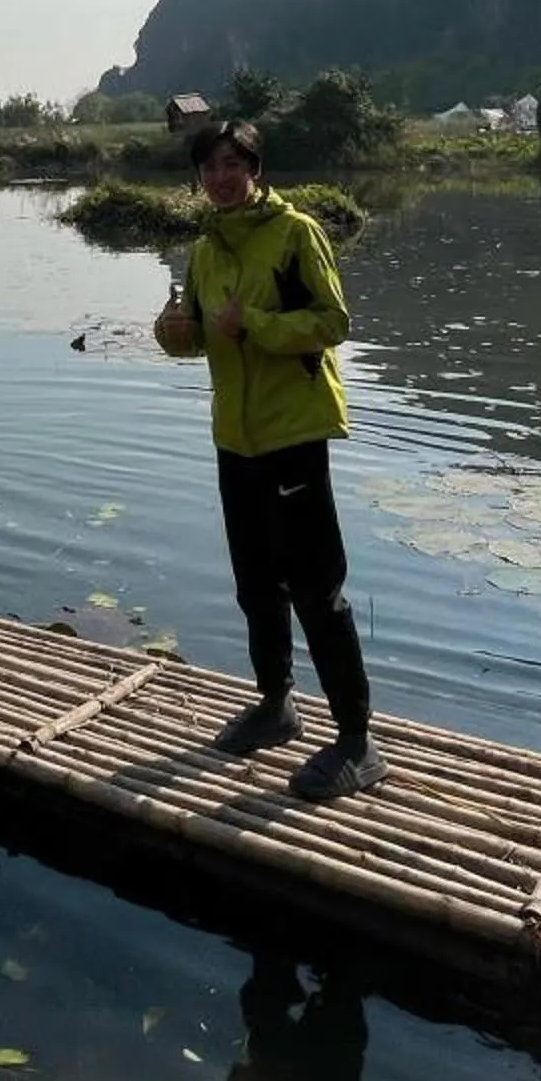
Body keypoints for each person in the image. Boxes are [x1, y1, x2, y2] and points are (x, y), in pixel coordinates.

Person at [153, 116, 385, 800]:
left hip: (292, 432)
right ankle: (276, 705)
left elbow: (333, 322)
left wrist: (253, 323)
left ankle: (356, 741)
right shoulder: (205, 249)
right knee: (256, 581)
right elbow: (199, 339)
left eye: (233, 163)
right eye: (210, 167)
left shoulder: (296, 235)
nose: (221, 178)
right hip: (236, 436)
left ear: (256, 169)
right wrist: (172, 333)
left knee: (317, 587)